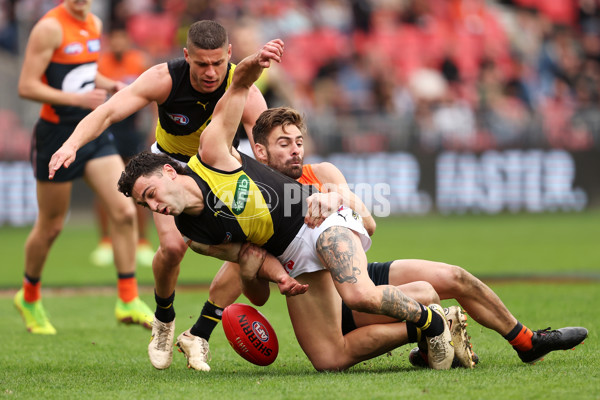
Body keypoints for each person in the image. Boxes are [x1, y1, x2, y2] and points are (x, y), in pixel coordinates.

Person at [113, 39, 460, 371]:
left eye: (151, 193)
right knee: (329, 360)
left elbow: (234, 94)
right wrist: (280, 278)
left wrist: (251, 65)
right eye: (145, 203)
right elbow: (249, 262)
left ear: (170, 172)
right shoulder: (195, 234)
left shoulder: (213, 155)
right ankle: (433, 322)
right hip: (292, 256)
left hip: (316, 222)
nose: (153, 205)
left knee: (358, 296)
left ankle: (435, 322)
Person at [176, 106, 589, 371]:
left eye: (299, 142)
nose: (295, 151)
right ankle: (433, 329)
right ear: (259, 152)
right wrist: (250, 271)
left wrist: (336, 197)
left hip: (355, 273)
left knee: (455, 277)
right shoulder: (251, 200)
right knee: (329, 360)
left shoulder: (321, 172)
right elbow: (258, 295)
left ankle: (526, 340)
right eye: (283, 145)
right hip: (316, 295)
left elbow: (369, 225)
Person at [48, 20, 269, 367]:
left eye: (217, 63)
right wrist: (71, 144)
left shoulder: (244, 87)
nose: (211, 72)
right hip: (171, 168)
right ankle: (164, 319)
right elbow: (107, 112)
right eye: (201, 64)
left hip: (222, 173)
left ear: (229, 54)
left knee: (249, 250)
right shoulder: (164, 78)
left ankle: (199, 333)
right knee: (171, 248)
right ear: (186, 56)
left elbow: (266, 138)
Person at [14, 0, 152, 335]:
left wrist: (109, 84)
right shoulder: (49, 27)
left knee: (124, 210)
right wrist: (78, 99)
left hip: (91, 129)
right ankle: (29, 296)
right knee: (51, 226)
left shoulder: (94, 23)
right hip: (56, 135)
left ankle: (128, 298)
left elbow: (85, 72)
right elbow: (27, 86)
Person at [90, 26, 155, 268]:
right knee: (104, 186)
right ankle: (105, 241)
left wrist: (155, 124)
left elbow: (152, 96)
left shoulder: (138, 61)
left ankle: (143, 243)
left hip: (131, 130)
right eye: (113, 39)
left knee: (139, 182)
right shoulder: (101, 65)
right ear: (110, 41)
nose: (118, 44)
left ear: (127, 41)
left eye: (121, 39)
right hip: (108, 129)